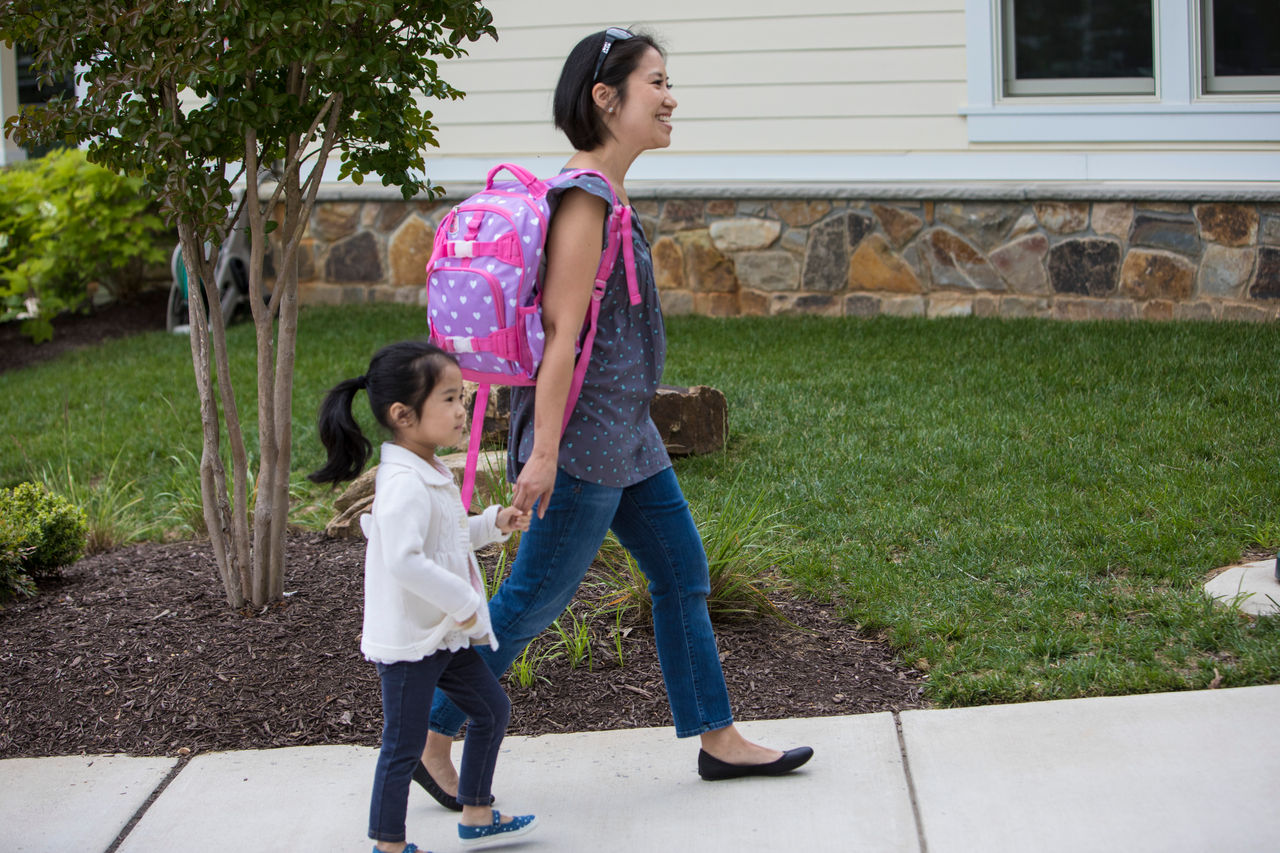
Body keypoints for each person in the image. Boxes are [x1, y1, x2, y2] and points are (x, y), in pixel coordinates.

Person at [414, 27, 813, 809]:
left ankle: (718, 737)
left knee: (680, 574)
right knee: (532, 600)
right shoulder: (582, 199)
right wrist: (544, 456)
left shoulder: (610, 193)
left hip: (629, 436)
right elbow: (562, 337)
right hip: (587, 444)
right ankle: (426, 736)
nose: (671, 98)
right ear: (606, 97)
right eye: (656, 83)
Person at [309, 341, 538, 853]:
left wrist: (491, 524)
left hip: (443, 635)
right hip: (414, 642)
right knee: (402, 746)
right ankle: (389, 846)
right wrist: (465, 601)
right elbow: (405, 560)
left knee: (491, 711)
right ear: (403, 415)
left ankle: (477, 814)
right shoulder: (402, 485)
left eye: (462, 398)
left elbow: (447, 540)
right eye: (451, 399)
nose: (463, 411)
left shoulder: (428, 469)